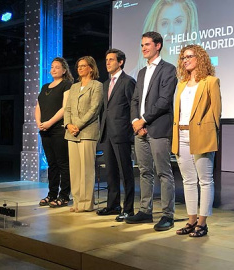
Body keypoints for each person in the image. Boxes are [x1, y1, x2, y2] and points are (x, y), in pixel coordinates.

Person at [125, 31, 177, 231]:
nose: (144, 48)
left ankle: (167, 215)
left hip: (158, 128)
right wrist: (136, 121)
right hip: (141, 130)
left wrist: (144, 120)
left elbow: (164, 101)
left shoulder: (168, 69)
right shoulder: (141, 72)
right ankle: (145, 211)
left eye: (147, 44)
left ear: (158, 46)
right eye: (142, 45)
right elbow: (135, 100)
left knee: (164, 173)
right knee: (145, 171)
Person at [172, 44, 221, 237]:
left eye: (190, 56)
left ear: (200, 58)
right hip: (182, 135)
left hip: (202, 135)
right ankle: (191, 220)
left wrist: (211, 137)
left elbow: (216, 114)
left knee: (205, 181)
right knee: (188, 180)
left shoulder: (211, 81)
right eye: (183, 57)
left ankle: (202, 222)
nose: (186, 60)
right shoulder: (181, 84)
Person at [96, 49, 136, 222]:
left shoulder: (128, 82)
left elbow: (132, 107)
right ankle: (113, 205)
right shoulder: (106, 84)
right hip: (107, 133)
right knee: (110, 172)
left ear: (120, 62)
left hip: (121, 133)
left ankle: (128, 209)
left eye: (111, 60)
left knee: (125, 172)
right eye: (106, 60)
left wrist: (129, 130)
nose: (108, 63)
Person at [64, 56, 103, 213]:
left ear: (91, 68)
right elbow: (67, 109)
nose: (79, 69)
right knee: (74, 169)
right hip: (71, 132)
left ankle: (86, 204)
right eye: (78, 66)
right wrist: (68, 125)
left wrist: (78, 125)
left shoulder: (97, 86)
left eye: (83, 66)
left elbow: (94, 109)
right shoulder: (74, 87)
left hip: (87, 131)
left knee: (86, 169)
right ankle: (77, 201)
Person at [36, 57, 73, 208]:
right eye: (52, 67)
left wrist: (50, 122)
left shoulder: (67, 84)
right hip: (44, 130)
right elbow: (38, 106)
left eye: (57, 67)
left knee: (63, 164)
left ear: (64, 70)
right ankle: (51, 194)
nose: (53, 69)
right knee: (51, 164)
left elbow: (65, 108)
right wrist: (39, 123)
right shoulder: (45, 87)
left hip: (58, 129)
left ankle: (64, 196)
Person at [131, 0, 200, 77]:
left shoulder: (198, 72)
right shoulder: (136, 75)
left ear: (188, 25)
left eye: (178, 21)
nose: (171, 31)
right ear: (156, 27)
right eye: (164, 23)